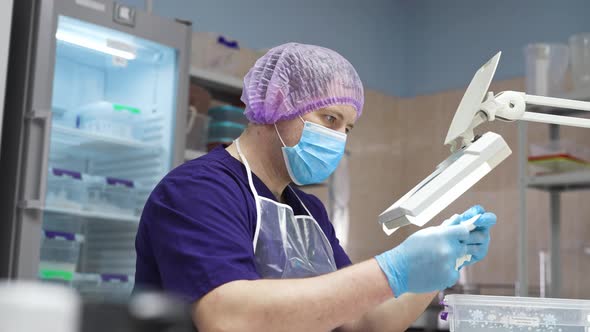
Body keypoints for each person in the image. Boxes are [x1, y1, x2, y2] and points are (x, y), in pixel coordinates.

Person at [134, 43, 497, 331]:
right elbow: (228, 319)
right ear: (276, 104)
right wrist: (392, 269)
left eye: (347, 128)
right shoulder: (198, 190)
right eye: (329, 119)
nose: (339, 139)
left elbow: (364, 322)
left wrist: (436, 268)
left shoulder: (307, 211)